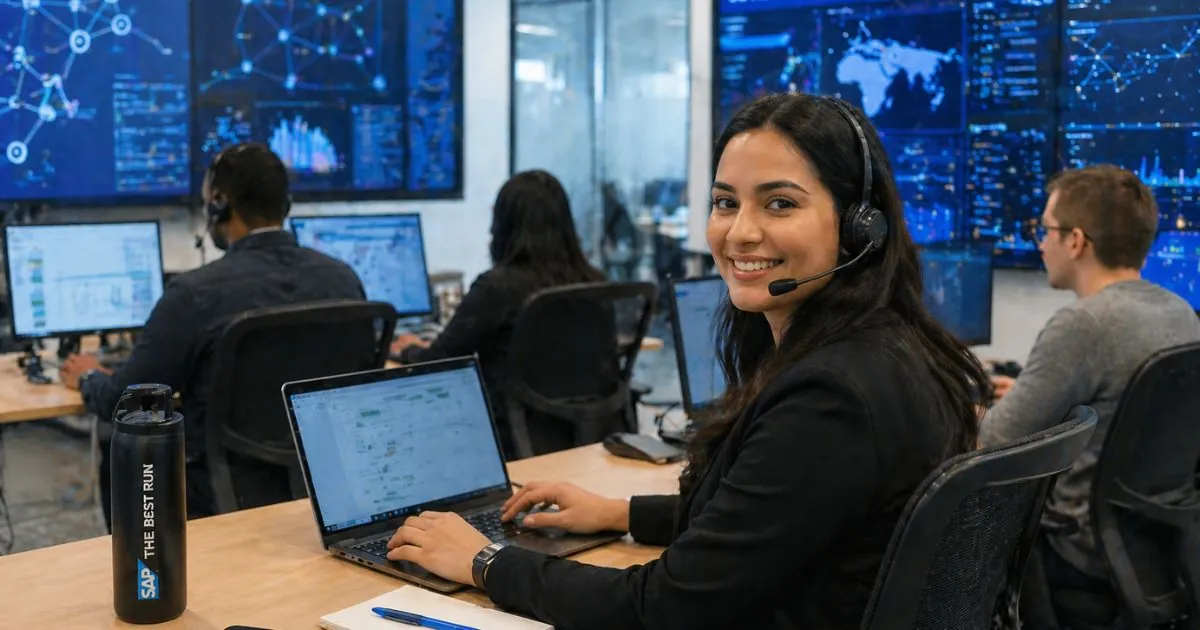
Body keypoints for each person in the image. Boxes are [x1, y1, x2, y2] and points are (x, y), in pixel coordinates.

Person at [379, 94, 988, 629]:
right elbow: (775, 525)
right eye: (726, 202)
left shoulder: (832, 397)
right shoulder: (892, 349)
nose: (740, 233)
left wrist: (485, 560)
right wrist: (619, 513)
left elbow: (660, 609)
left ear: (860, 228)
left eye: (780, 204)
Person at [60, 143, 366, 520]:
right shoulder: (344, 279)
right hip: (325, 483)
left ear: (219, 204)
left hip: (223, 490)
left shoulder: (195, 294)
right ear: (284, 205)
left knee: (116, 443)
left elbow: (129, 404)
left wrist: (88, 376)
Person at [980, 164, 1200, 590]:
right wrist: (1028, 390)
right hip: (1155, 555)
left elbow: (995, 442)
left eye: (1045, 229)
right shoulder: (1182, 313)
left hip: (1075, 559)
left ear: (1076, 242)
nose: (1041, 244)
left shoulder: (1083, 325)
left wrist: (961, 404)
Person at [392, 170, 607, 458]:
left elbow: (438, 362)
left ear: (503, 225)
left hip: (513, 442)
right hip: (587, 442)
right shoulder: (595, 283)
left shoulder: (498, 287)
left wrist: (409, 350)